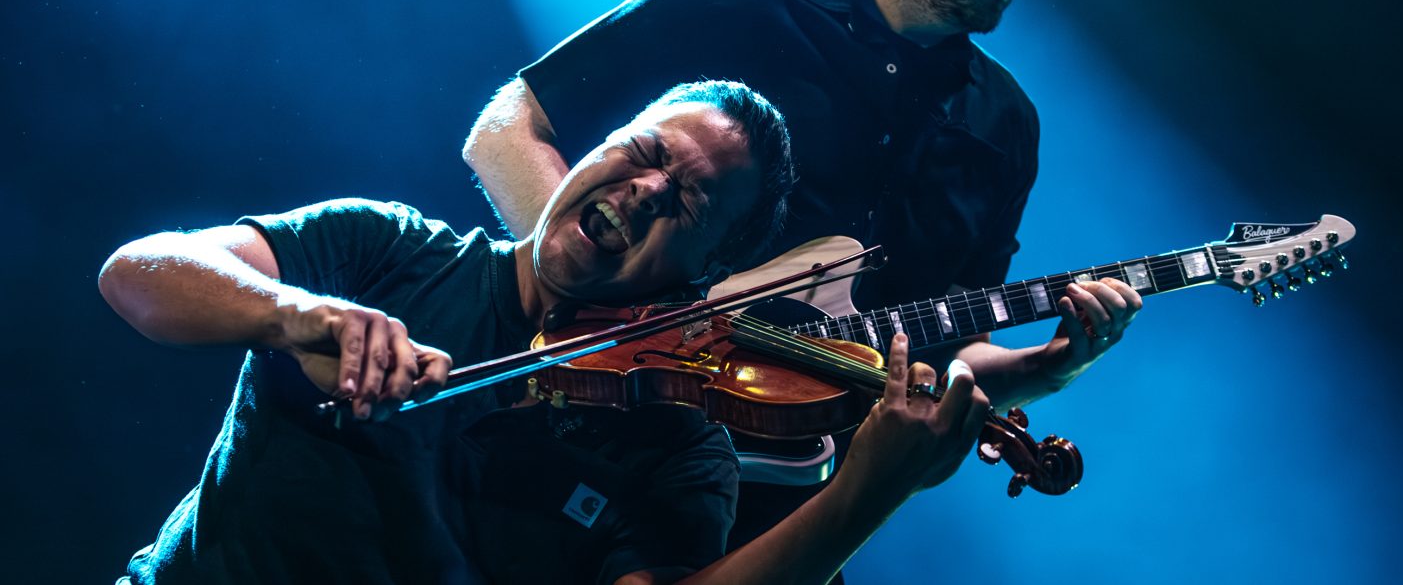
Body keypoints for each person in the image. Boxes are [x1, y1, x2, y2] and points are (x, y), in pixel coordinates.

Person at [463, 0, 1143, 556]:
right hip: (564, 454)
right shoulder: (736, 1)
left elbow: (942, 351)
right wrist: (599, 313)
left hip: (773, 521)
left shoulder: (1004, 126)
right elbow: (506, 129)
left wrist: (1051, 365)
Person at [101, 81, 992, 585]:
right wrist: (295, 310)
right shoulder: (388, 251)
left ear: (705, 270)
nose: (643, 189)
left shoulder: (677, 446)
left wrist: (867, 491)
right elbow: (139, 274)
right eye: (641, 152)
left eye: (684, 201)